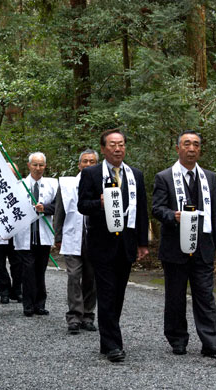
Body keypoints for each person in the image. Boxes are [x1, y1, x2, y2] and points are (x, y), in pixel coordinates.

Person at [152, 130, 216, 357]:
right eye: (187, 144)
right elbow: (157, 208)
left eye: (195, 144)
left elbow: (215, 211)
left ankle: (210, 342)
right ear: (178, 148)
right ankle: (177, 339)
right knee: (175, 296)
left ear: (200, 149)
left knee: (205, 295)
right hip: (175, 246)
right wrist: (171, 215)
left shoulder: (209, 178)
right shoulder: (164, 177)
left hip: (203, 245)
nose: (191, 148)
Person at [77, 129, 149, 363]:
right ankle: (113, 345)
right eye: (113, 145)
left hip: (126, 244)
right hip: (101, 244)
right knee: (106, 293)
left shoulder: (134, 175)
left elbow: (142, 211)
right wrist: (98, 202)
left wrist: (142, 242)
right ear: (103, 149)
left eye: (121, 145)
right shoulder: (91, 174)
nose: (118, 149)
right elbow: (82, 206)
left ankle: (106, 340)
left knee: (117, 295)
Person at [54, 149, 99, 334]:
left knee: (91, 278)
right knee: (73, 276)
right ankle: (74, 316)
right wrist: (57, 236)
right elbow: (59, 211)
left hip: (95, 238)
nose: (88, 165)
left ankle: (88, 315)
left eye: (92, 162)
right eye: (85, 161)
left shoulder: (103, 183)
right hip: (72, 237)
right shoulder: (67, 184)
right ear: (79, 164)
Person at [14, 152, 58, 317]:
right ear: (29, 165)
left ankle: (40, 304)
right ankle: (28, 305)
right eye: (35, 165)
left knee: (40, 271)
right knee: (28, 271)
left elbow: (58, 206)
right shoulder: (20, 185)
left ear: (45, 166)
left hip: (43, 235)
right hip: (25, 236)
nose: (38, 168)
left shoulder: (53, 185)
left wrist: (44, 209)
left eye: (41, 165)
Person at [0, 164, 22, 304]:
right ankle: (4, 291)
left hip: (17, 232)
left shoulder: (21, 187)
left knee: (17, 263)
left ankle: (17, 291)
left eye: (12, 172)